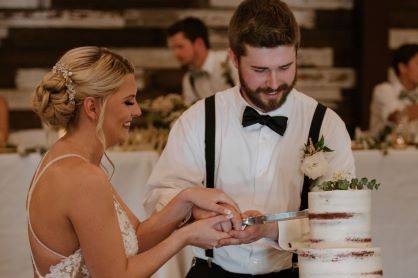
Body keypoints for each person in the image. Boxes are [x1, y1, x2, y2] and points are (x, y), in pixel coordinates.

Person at [144, 0, 355, 277]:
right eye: (260, 70)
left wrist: (272, 229)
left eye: (284, 67)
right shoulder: (198, 119)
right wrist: (195, 212)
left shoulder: (326, 125)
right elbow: (159, 197)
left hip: (294, 271)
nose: (273, 82)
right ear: (233, 58)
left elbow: (341, 219)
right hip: (212, 270)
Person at [27, 46, 239, 277]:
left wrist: (186, 199)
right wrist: (185, 237)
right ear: (92, 107)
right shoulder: (83, 178)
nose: (138, 111)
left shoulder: (66, 158)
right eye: (128, 102)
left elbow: (135, 236)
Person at [167, 17, 238, 105]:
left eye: (180, 46)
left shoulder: (230, 61)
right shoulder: (189, 79)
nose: (176, 53)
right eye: (172, 48)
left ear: (199, 43)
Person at [369, 44, 418, 135]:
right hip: (382, 148)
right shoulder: (383, 90)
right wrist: (408, 113)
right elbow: (395, 117)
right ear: (402, 67)